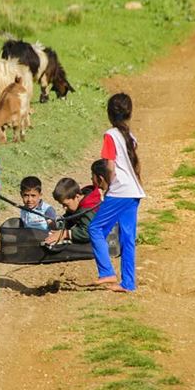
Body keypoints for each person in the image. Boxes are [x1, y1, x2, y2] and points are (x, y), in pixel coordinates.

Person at [89, 92, 145, 292]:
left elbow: (110, 166)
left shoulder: (110, 135)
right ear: (129, 113)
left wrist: (110, 186)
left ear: (109, 113)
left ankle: (106, 272)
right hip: (134, 192)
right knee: (127, 238)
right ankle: (128, 283)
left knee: (95, 229)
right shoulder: (130, 136)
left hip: (120, 191)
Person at [44, 177, 102, 245]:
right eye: (62, 204)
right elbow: (70, 218)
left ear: (77, 196)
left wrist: (65, 234)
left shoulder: (88, 209)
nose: (64, 208)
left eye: (66, 204)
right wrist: (57, 225)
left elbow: (88, 232)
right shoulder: (78, 203)